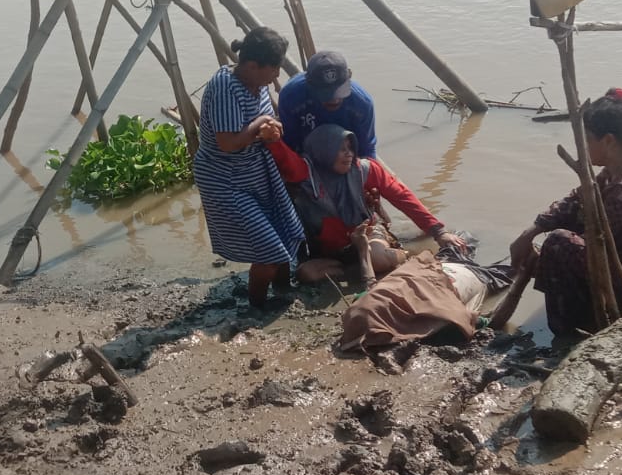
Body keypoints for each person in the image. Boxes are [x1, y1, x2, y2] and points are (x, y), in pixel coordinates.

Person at [507, 88, 622, 337]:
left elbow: (592, 239)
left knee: (558, 244)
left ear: (608, 141)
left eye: (587, 140)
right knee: (561, 235)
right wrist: (532, 230)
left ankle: (566, 334)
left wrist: (540, 258)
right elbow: (579, 200)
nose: (583, 147)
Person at [267, 124, 467, 288]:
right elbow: (285, 160)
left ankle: (402, 255)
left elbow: (402, 197)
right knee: (307, 274)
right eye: (341, 149)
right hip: (329, 250)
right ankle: (360, 269)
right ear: (322, 152)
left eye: (350, 148)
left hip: (369, 236)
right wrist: (273, 139)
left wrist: (438, 231)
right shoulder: (306, 174)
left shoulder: (365, 169)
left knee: (377, 257)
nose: (348, 154)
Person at [193, 27, 304, 308]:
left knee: (284, 232)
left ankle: (282, 289)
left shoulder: (258, 82)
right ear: (252, 65)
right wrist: (259, 126)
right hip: (225, 179)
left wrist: (272, 131)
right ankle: (257, 307)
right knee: (267, 249)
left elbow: (264, 121)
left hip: (257, 172)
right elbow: (228, 143)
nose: (276, 76)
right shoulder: (225, 87)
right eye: (274, 69)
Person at [278, 51, 378, 158]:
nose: (334, 100)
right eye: (326, 94)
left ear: (349, 76)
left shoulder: (362, 104)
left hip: (345, 160)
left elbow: (367, 149)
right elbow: (289, 143)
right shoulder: (290, 97)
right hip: (306, 156)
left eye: (339, 92)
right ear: (308, 83)